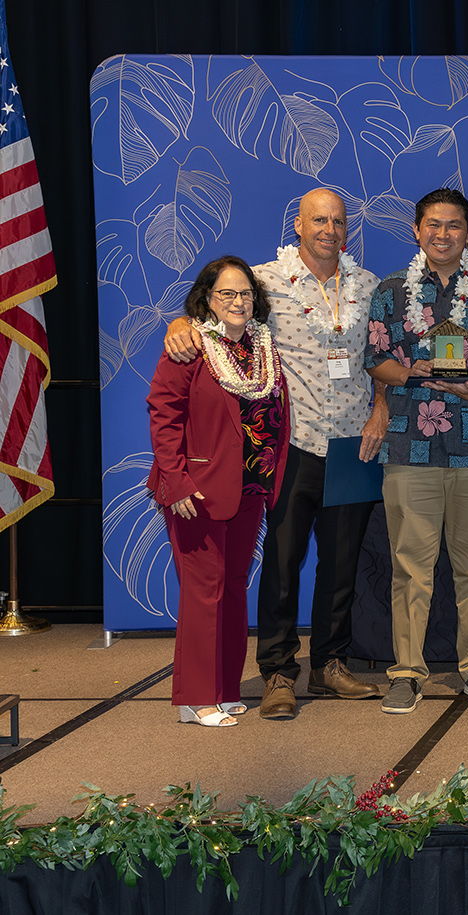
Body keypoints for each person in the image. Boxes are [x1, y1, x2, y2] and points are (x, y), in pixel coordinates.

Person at [162, 188, 387, 721]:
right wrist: (180, 324)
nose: (329, 229)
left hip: (354, 441)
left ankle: (331, 664)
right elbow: (213, 312)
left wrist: (380, 406)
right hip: (291, 444)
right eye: (318, 220)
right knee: (283, 563)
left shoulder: (369, 285)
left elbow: (383, 355)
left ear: (347, 228)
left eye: (338, 221)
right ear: (298, 226)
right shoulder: (263, 281)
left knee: (341, 563)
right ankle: (279, 672)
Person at [364, 187, 468, 715]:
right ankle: (406, 671)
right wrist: (411, 371)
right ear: (416, 231)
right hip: (409, 446)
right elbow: (375, 357)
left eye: (454, 226)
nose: (443, 234)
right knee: (411, 568)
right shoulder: (390, 290)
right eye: (433, 225)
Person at [148, 256, 289, 727]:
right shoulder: (189, 347)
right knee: (202, 591)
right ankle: (195, 696)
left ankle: (225, 688)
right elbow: (163, 414)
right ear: (207, 299)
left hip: (250, 486)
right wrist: (175, 481)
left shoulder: (262, 348)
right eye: (227, 293)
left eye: (245, 292)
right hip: (198, 490)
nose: (238, 301)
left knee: (232, 590)